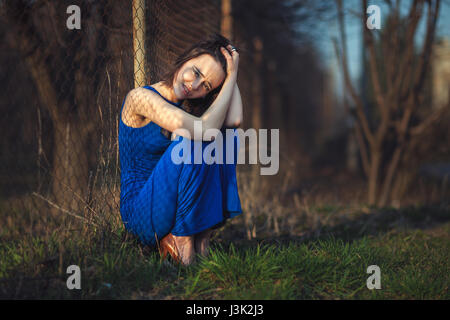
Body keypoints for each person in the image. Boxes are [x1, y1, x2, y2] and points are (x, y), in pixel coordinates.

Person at [119, 34, 243, 265]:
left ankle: (202, 237)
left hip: (171, 203)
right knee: (193, 137)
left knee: (227, 137)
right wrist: (230, 75)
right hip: (141, 213)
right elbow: (204, 130)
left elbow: (234, 120)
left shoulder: (189, 106)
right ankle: (183, 238)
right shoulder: (140, 98)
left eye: (205, 85)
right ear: (186, 58)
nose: (193, 85)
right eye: (195, 72)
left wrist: (231, 76)